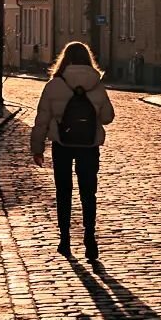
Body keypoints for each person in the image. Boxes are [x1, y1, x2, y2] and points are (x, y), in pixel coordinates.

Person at [30, 40, 115, 261]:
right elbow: (107, 117)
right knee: (88, 193)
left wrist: (37, 147)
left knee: (63, 192)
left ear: (64, 59)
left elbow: (41, 120)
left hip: (62, 145)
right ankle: (89, 238)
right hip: (89, 146)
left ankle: (65, 239)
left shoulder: (54, 85)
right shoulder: (97, 85)